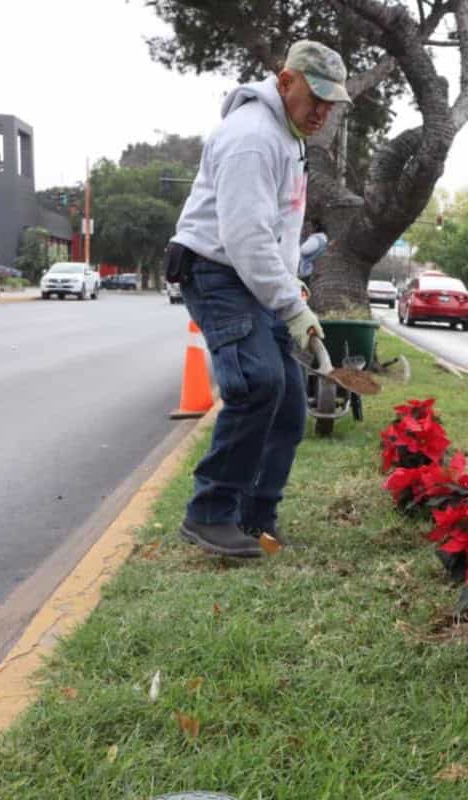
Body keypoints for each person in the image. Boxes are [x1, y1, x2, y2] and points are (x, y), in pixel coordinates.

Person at [169, 40, 351, 558]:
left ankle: (254, 519)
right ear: (285, 80)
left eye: (329, 104)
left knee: (290, 405)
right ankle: (208, 514)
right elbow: (245, 237)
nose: (321, 113)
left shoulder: (288, 137)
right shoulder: (252, 138)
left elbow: (278, 227)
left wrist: (290, 284)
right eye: (314, 98)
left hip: (254, 276)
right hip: (216, 272)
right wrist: (291, 306)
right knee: (257, 384)